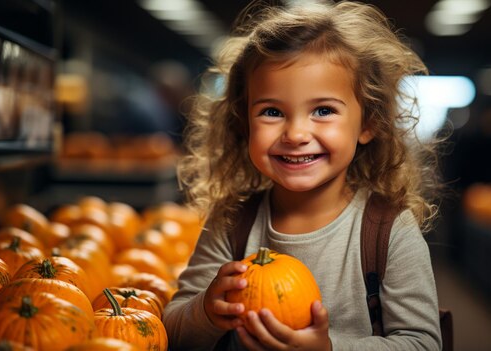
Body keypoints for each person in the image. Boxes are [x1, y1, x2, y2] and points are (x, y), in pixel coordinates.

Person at [163, 1, 443, 350]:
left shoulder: (388, 230)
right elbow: (171, 333)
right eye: (272, 111)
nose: (295, 134)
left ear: (369, 123)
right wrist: (204, 311)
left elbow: (422, 343)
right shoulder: (231, 223)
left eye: (323, 110)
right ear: (242, 122)